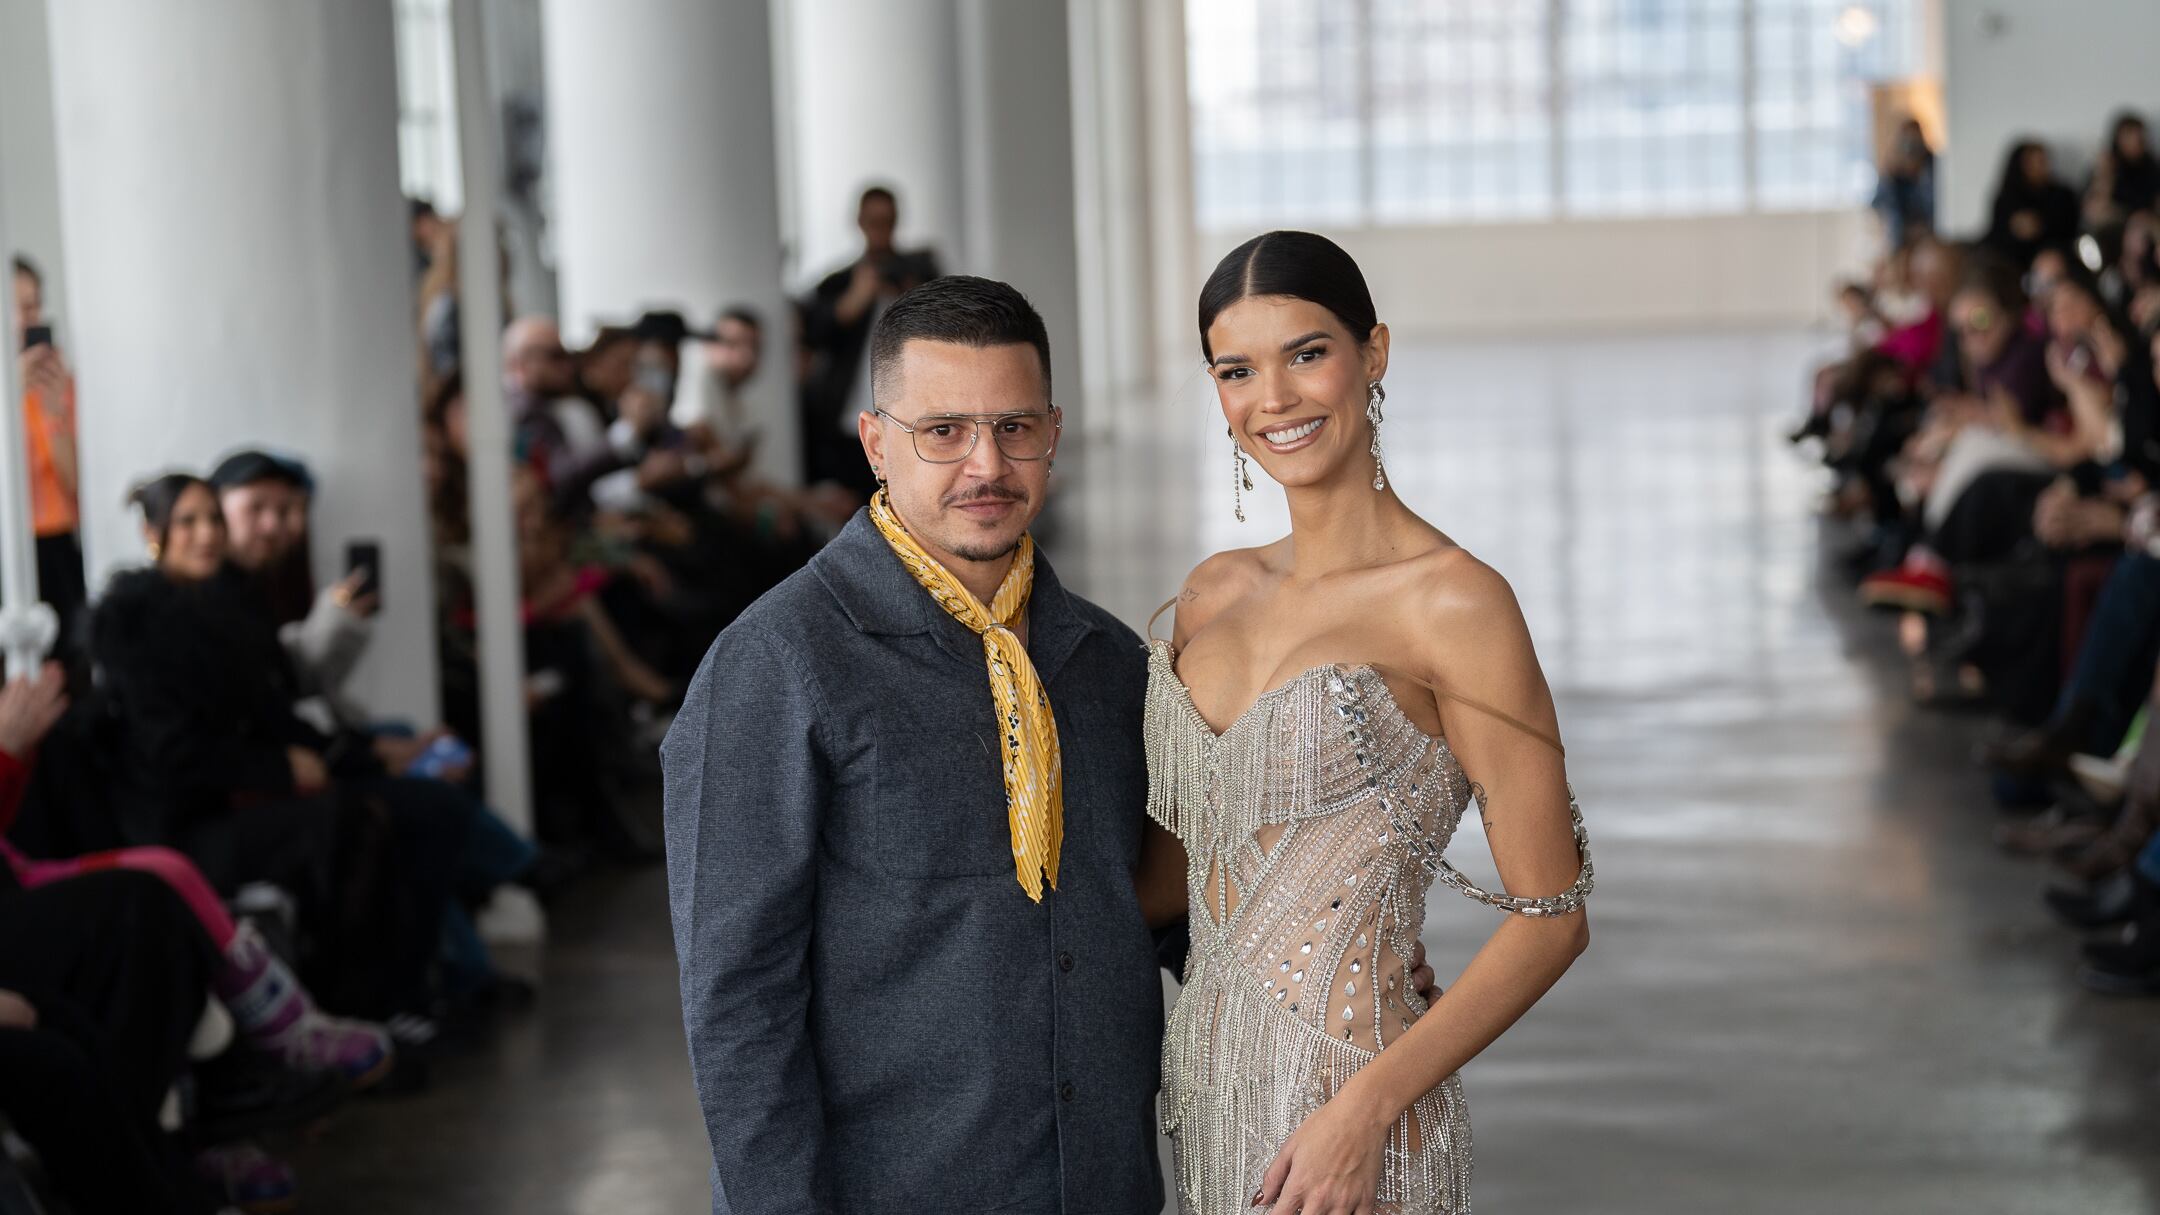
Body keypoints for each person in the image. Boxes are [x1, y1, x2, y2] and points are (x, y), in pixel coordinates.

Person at [662, 274, 1445, 1213]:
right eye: (942, 431)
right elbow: (738, 1001)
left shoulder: (1108, 665)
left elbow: (1160, 905)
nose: (986, 465)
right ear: (875, 442)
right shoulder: (777, 667)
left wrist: (1333, 964)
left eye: (1015, 427)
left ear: (1054, 434)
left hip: (1102, 1184)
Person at [1138, 230, 1592, 1215]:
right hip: (1207, 1109)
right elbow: (1171, 881)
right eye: (1237, 370)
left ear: (1373, 353)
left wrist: (1366, 1110)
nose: (1274, 398)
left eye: (1307, 354)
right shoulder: (1212, 594)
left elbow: (1554, 918)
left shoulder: (1455, 603)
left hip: (1358, 1128)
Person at [801, 185, 942, 496]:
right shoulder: (839, 283)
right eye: (873, 221)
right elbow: (813, 337)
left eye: (886, 221)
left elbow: (945, 329)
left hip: (914, 415)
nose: (880, 229)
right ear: (860, 222)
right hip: (848, 422)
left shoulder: (921, 275)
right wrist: (852, 301)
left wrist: (910, 294)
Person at [10, 255, 85, 640]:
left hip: (58, 542)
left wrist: (55, 415)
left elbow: (76, 483)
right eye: (21, 307)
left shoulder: (60, 385)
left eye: (36, 305)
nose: (32, 317)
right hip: (9, 542)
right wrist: (9, 395)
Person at [1986, 140, 2080, 271]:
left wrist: (2041, 225)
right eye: (2032, 162)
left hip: (2051, 259)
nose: (2038, 167)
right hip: (2010, 260)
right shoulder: (2006, 198)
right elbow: (1995, 233)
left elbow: (2069, 231)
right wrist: (2015, 228)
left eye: (2041, 161)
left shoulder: (2063, 195)